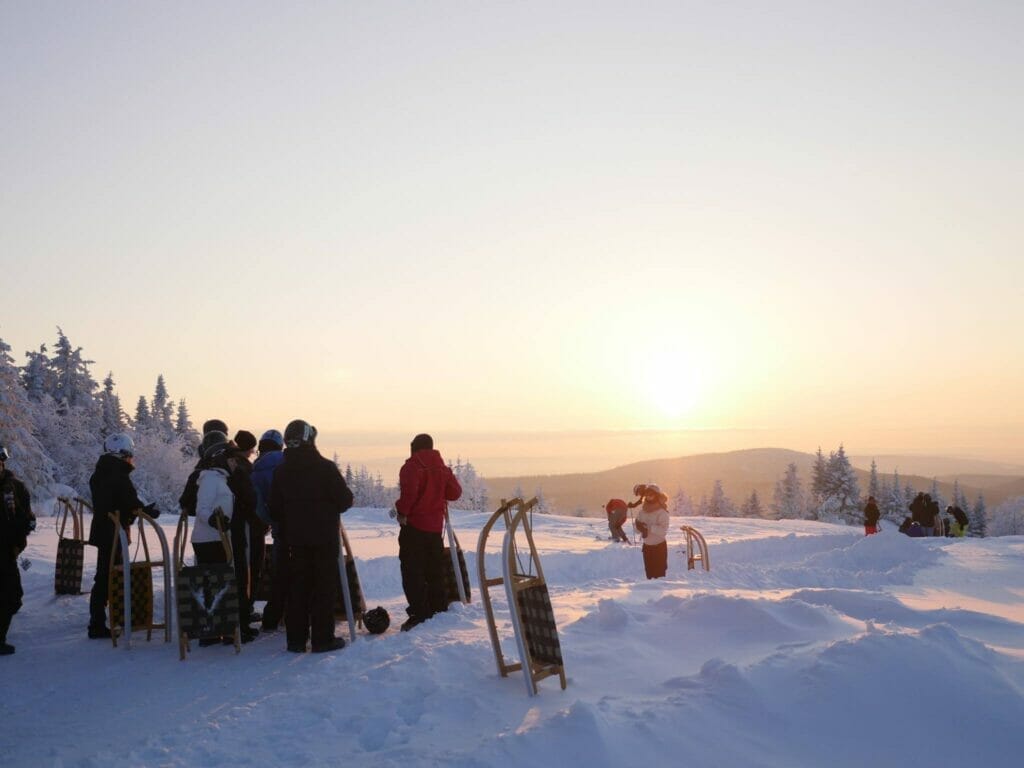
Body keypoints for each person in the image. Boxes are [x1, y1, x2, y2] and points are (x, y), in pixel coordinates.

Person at [270, 420, 353, 653]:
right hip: (324, 538)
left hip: (294, 540)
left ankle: (295, 640)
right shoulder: (325, 468)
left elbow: (274, 507)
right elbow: (345, 499)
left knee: (298, 587)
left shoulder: (281, 472)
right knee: (323, 587)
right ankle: (322, 638)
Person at [393, 433, 462, 632]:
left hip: (414, 528)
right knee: (435, 571)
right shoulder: (443, 469)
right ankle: (438, 609)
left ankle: (419, 613)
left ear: (414, 448)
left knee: (412, 572)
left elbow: (409, 494)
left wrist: (401, 511)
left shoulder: (411, 467)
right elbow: (455, 493)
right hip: (435, 529)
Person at [87, 433, 148, 639]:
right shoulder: (117, 474)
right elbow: (127, 500)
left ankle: (104, 618)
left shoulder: (102, 472)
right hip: (113, 532)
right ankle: (100, 622)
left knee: (106, 573)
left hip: (105, 530)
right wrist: (143, 509)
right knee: (108, 574)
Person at [190, 431, 241, 645]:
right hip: (208, 539)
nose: (234, 462)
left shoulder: (219, 478)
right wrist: (213, 520)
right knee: (213, 584)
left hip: (218, 537)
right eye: (231, 458)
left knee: (218, 583)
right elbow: (201, 507)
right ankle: (211, 632)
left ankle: (220, 628)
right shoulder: (211, 479)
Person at [0, 443, 35, 655]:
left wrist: (28, 523)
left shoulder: (14, 487)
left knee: (13, 596)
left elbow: (25, 512)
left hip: (7, 550)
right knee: (9, 595)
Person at [227, 430, 260, 637]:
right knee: (244, 572)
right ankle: (242, 619)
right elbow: (250, 498)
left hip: (224, 526)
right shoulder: (243, 468)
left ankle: (230, 618)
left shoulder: (225, 462)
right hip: (242, 526)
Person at [252, 429, 286, 631]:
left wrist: (270, 521)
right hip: (301, 528)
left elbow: (258, 507)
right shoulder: (290, 465)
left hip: (280, 529)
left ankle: (272, 618)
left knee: (279, 575)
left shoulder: (256, 472)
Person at [632, 483, 670, 579]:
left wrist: (648, 527)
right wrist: (638, 527)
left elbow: (663, 531)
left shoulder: (662, 512)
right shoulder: (642, 511)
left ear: (656, 495)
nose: (649, 497)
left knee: (659, 576)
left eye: (651, 494)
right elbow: (636, 530)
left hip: (659, 548)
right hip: (647, 548)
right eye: (647, 495)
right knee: (649, 575)